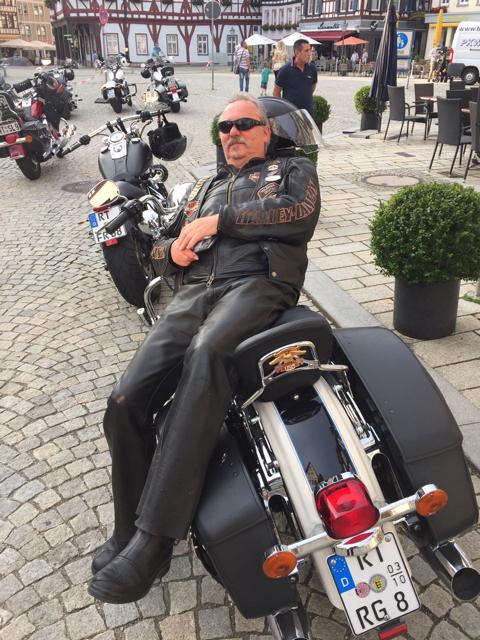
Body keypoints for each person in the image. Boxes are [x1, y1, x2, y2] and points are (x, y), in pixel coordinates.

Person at [86, 94, 321, 605]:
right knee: (125, 400)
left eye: (243, 124)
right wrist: (170, 251)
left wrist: (222, 222)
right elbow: (159, 250)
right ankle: (126, 530)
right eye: (224, 127)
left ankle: (155, 540)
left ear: (266, 131)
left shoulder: (291, 170)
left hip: (258, 283)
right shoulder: (204, 188)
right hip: (195, 294)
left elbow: (300, 214)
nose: (231, 133)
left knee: (207, 353)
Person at [273, 39, 318, 116]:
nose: (309, 54)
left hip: (308, 114)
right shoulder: (285, 70)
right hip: (290, 114)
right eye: (306, 51)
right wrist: (282, 110)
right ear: (297, 52)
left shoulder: (312, 69)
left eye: (310, 50)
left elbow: (312, 87)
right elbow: (276, 92)